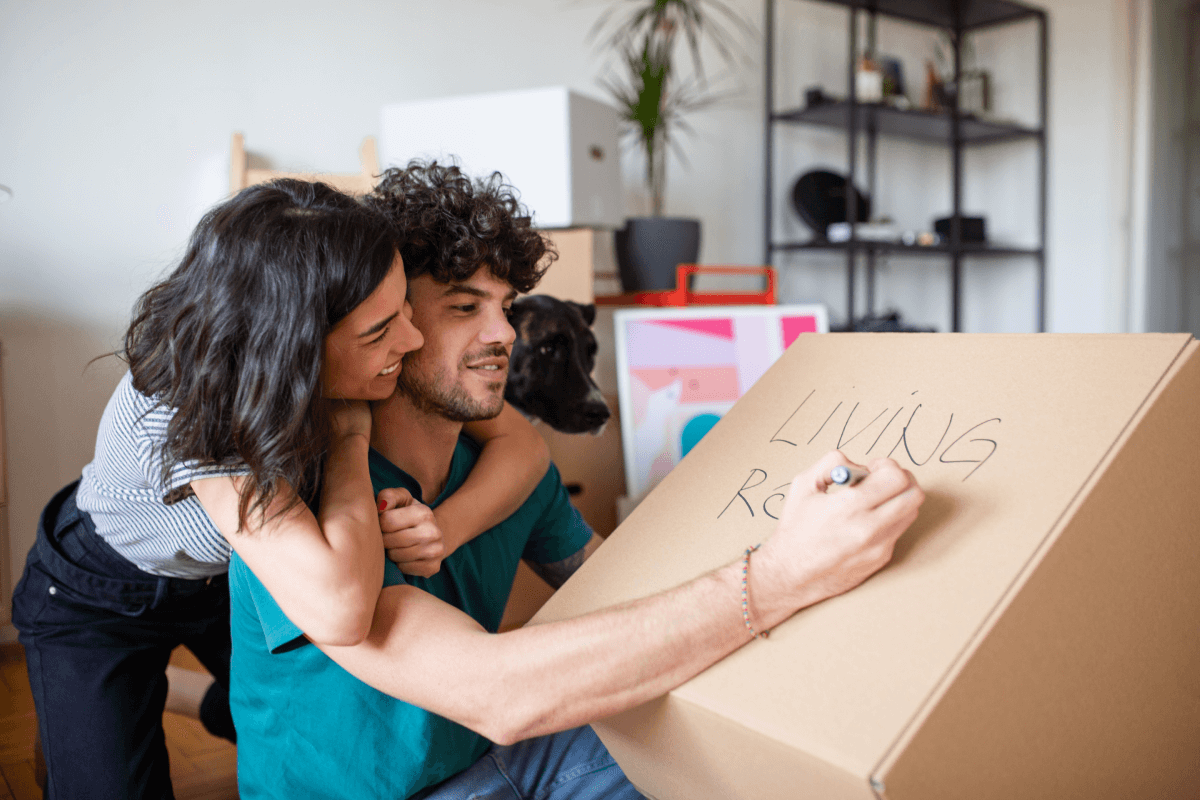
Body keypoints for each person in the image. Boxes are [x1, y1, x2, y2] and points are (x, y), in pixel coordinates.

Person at [227, 162, 927, 800]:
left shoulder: (512, 466)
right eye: (465, 308)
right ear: (391, 324)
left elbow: (620, 595)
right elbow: (495, 691)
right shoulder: (300, 503)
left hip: (502, 761)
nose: (504, 332)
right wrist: (777, 576)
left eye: (507, 306)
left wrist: (807, 553)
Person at [10, 178, 551, 800]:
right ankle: (88, 716)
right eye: (380, 332)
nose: (411, 340)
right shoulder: (194, 415)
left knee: (312, 709)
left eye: (405, 310)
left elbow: (525, 446)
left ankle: (172, 693)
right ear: (293, 346)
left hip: (230, 577)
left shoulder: (346, 354)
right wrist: (349, 434)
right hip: (103, 590)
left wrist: (446, 526)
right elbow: (339, 610)